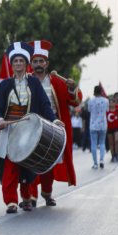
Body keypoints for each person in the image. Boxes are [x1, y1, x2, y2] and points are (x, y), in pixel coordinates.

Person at [0, 42, 56, 213]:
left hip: (29, 131)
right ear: (12, 64)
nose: (18, 64)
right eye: (15, 61)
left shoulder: (34, 83)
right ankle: (11, 201)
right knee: (10, 168)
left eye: (21, 61)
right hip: (10, 131)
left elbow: (44, 104)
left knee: (28, 165)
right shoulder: (5, 85)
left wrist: (55, 121)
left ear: (26, 64)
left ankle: (26, 198)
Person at [26, 40, 82, 207]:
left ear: (47, 63)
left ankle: (47, 192)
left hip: (52, 127)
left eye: (41, 61)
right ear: (31, 63)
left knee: (48, 162)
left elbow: (75, 101)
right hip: (30, 126)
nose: (38, 64)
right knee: (30, 162)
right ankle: (31, 195)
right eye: (35, 61)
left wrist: (72, 89)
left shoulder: (56, 82)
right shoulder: (25, 81)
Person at [88, 85, 108, 170]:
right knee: (102, 143)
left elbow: (89, 110)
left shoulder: (90, 101)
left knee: (93, 144)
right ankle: (102, 160)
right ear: (101, 91)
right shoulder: (106, 100)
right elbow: (107, 110)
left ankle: (95, 163)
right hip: (103, 124)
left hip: (93, 124)